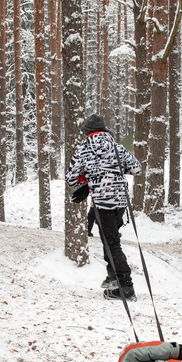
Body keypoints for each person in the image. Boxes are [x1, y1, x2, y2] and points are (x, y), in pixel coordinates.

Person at [65, 114, 142, 301]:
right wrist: (115, 170)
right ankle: (113, 278)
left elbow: (70, 178)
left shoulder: (83, 150)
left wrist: (88, 178)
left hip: (102, 202)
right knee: (112, 241)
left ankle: (125, 286)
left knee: (111, 243)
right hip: (121, 202)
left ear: (87, 133)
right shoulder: (118, 148)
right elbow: (137, 169)